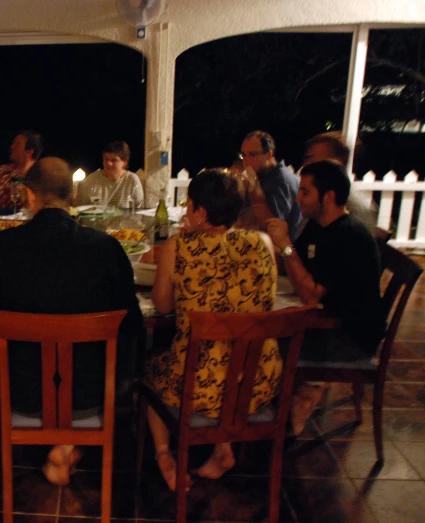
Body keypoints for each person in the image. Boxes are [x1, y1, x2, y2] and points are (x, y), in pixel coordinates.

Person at [0, 157, 142, 486]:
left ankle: (59, 444)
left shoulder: (0, 248)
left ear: (29, 195)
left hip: (23, 393)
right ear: (73, 195)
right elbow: (131, 322)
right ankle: (68, 442)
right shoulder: (107, 248)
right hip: (91, 394)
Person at [145, 168, 281, 490]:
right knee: (229, 355)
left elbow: (162, 306)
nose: (187, 211)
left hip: (199, 387)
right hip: (256, 382)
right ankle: (223, 448)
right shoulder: (262, 242)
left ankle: (164, 453)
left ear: (201, 212)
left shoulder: (178, 247)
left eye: (189, 205)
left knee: (151, 366)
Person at [265, 160, 386, 435]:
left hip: (350, 339)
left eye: (305, 192)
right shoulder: (319, 225)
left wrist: (285, 246)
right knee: (265, 337)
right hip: (326, 321)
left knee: (264, 345)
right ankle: (279, 410)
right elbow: (298, 272)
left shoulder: (347, 236)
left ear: (328, 196)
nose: (298, 198)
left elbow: (308, 294)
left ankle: (270, 419)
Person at [302, 131, 378, 231]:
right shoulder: (316, 214)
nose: (305, 164)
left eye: (311, 158)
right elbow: (295, 247)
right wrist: (283, 241)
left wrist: (284, 241)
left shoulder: (354, 213)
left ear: (336, 161)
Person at [239, 130, 302, 239]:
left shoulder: (281, 180)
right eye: (243, 155)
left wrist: (253, 187)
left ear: (269, 155)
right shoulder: (262, 176)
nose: (246, 161)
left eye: (252, 155)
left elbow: (270, 226)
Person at [76, 141, 144, 208]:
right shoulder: (91, 180)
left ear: (125, 163)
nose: (109, 163)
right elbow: (79, 207)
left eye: (114, 160)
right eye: (106, 159)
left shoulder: (132, 180)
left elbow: (138, 210)